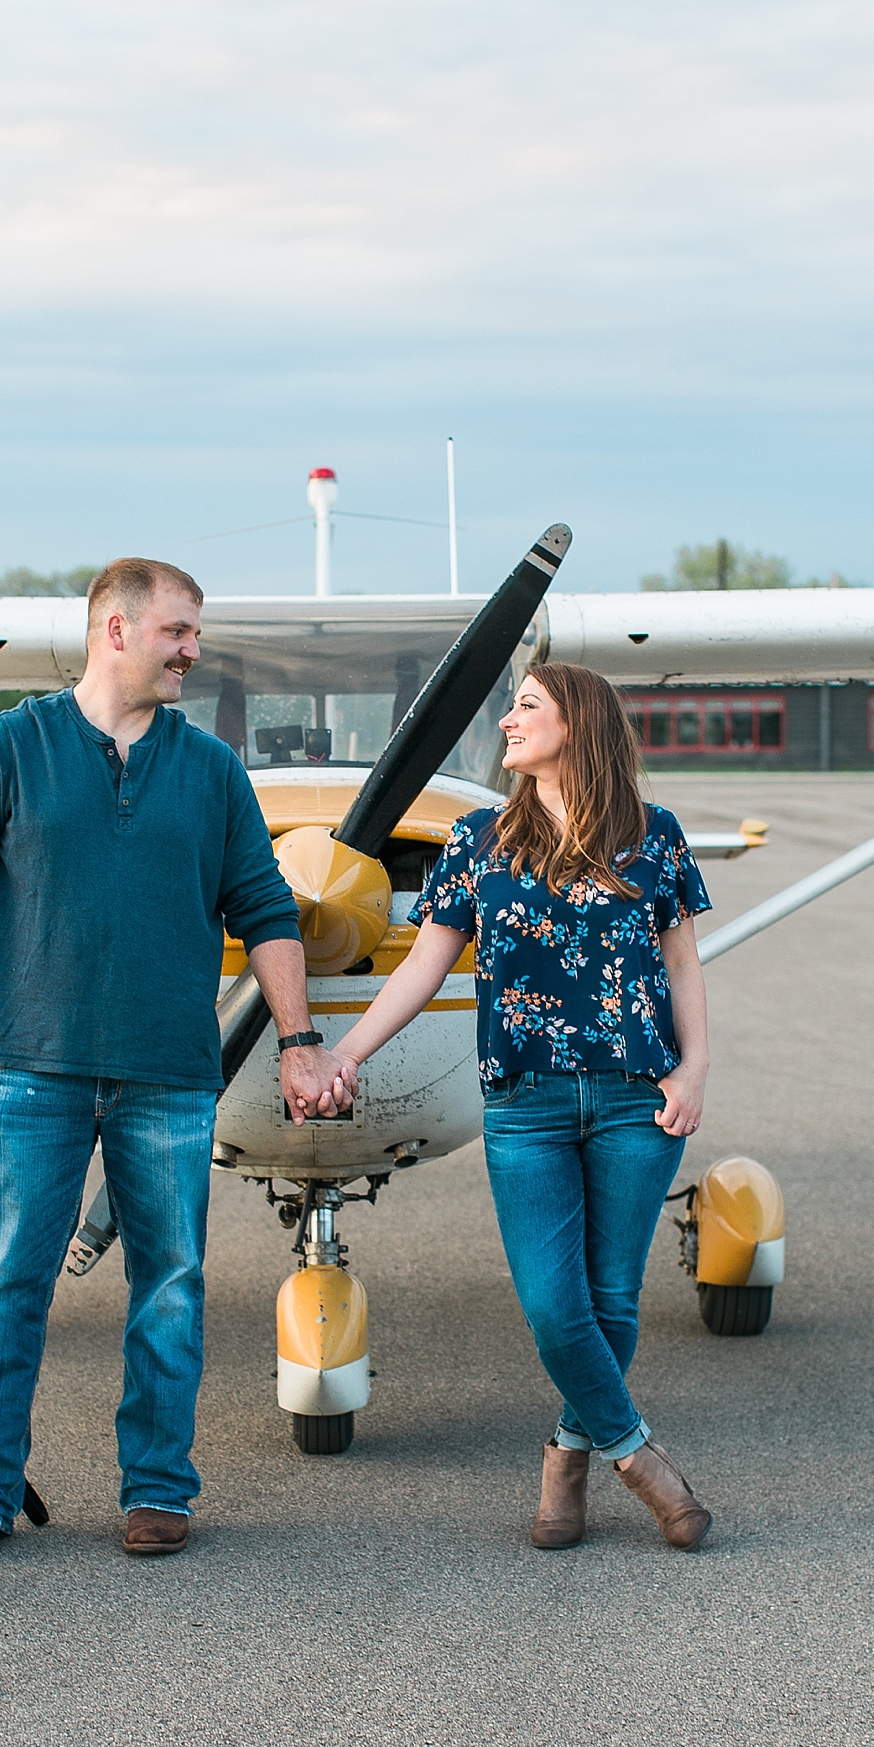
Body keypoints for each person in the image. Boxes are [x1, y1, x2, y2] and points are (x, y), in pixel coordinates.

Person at [0, 557, 350, 1561]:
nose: (195, 650)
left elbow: (267, 909)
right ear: (116, 629)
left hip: (169, 1072)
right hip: (30, 1069)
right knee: (2, 1287)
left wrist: (297, 1039)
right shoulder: (8, 749)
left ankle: (157, 1487)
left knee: (170, 1287)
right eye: (179, 632)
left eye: (195, 633)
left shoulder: (211, 771)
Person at [326, 662, 715, 1552]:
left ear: (577, 721)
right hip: (525, 1102)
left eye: (527, 705)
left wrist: (694, 1070)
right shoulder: (478, 839)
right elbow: (423, 966)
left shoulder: (656, 837)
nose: (506, 721)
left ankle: (566, 1462)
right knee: (552, 1304)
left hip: (634, 1095)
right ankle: (640, 1458)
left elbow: (683, 964)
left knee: (612, 1300)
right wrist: (344, 1052)